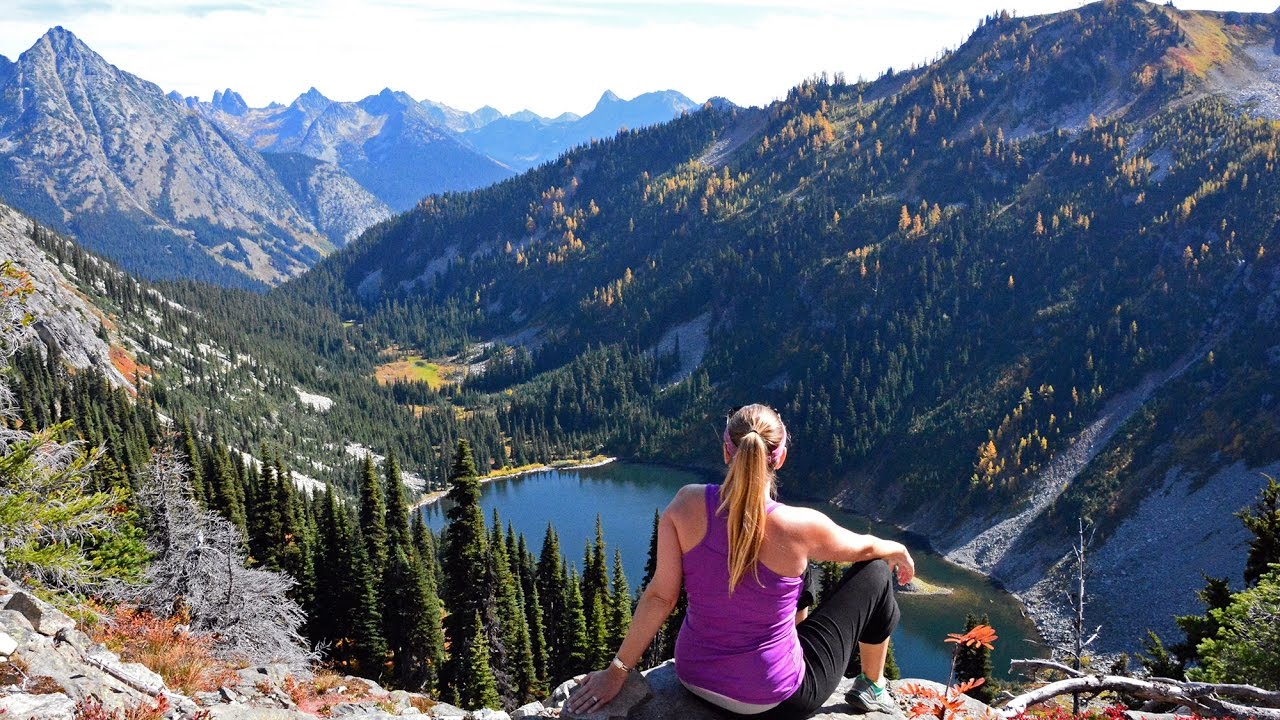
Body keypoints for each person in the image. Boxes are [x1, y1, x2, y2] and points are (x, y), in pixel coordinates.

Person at [568, 404, 915, 718]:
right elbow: (865, 548)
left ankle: (791, 646)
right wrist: (895, 549)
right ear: (779, 458)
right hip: (773, 700)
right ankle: (872, 687)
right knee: (876, 572)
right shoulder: (800, 527)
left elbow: (661, 597)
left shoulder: (686, 503)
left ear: (726, 452)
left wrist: (616, 671)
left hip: (694, 678)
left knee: (801, 572)